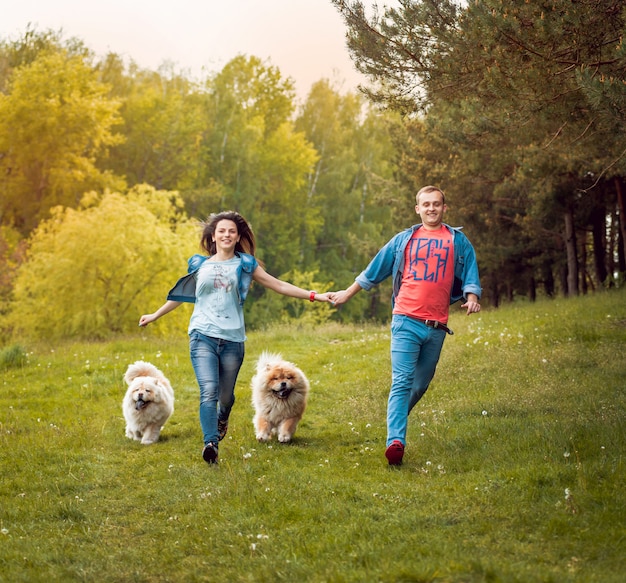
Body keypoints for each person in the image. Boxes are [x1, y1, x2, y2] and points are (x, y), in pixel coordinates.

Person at [139, 211, 330, 465]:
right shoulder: (200, 265)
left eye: (231, 231)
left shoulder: (245, 264)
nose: (226, 235)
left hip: (232, 340)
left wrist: (315, 295)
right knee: (208, 391)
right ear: (214, 236)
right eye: (221, 231)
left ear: (238, 236)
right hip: (202, 335)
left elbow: (279, 285)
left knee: (226, 397)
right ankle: (211, 444)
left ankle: (223, 415)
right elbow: (182, 295)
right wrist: (155, 314)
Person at [329, 186, 481, 466]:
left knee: (421, 383)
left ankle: (394, 418)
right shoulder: (403, 240)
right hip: (405, 320)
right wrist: (346, 294)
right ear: (417, 209)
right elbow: (374, 270)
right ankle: (395, 441)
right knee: (401, 381)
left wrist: (472, 297)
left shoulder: (458, 241)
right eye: (426, 204)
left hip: (437, 326)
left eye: (436, 204)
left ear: (444, 208)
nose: (431, 208)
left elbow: (470, 270)